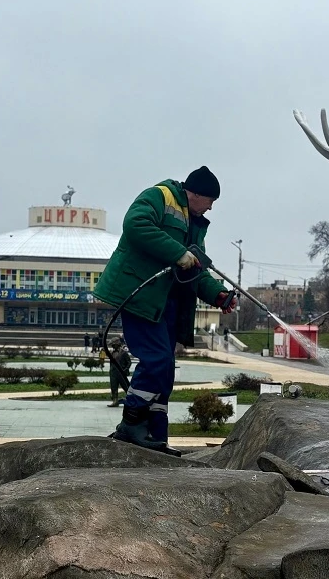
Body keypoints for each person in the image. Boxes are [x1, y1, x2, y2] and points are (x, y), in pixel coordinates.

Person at [93, 166, 237, 451]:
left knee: (165, 369)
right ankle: (131, 424)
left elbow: (196, 267)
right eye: (210, 200)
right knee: (157, 360)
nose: (210, 207)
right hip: (141, 295)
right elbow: (135, 224)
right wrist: (178, 253)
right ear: (195, 194)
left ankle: (156, 434)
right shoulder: (159, 196)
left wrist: (219, 294)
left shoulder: (195, 223)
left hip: (168, 303)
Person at [106, 338, 131, 407]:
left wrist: (125, 370)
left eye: (113, 345)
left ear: (117, 344)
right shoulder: (111, 353)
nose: (112, 346)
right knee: (113, 387)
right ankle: (115, 401)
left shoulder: (123, 353)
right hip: (113, 373)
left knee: (126, 387)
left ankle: (131, 399)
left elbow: (129, 362)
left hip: (121, 373)